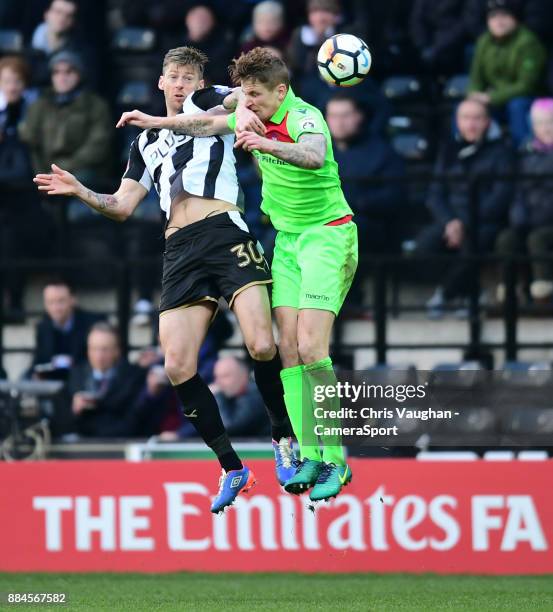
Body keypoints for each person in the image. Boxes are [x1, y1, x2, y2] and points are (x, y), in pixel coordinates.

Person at [34, 46, 296, 514]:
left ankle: (284, 440)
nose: (181, 83)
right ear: (160, 83)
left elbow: (237, 104)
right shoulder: (143, 144)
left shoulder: (211, 100)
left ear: (200, 81)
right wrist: (81, 192)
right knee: (177, 364)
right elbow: (121, 205)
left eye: (189, 76)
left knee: (260, 343)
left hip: (224, 230)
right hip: (179, 250)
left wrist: (233, 105)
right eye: (173, 76)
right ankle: (232, 466)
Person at [119, 48, 359, 501]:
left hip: (328, 235)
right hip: (287, 241)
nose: (246, 103)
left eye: (253, 95)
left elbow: (313, 155)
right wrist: (152, 124)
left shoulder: (304, 115)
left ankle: (337, 460)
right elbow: (203, 124)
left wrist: (265, 142)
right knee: (285, 348)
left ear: (280, 92)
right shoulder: (246, 113)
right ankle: (308, 452)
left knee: (309, 346)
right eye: (243, 95)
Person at [415, 98, 514, 315]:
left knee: (472, 246)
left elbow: (501, 197)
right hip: (450, 220)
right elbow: (435, 194)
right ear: (457, 121)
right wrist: (450, 222)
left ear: (488, 122)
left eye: (477, 118)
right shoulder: (448, 149)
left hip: (485, 222)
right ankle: (471, 293)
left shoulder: (502, 152)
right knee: (423, 247)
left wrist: (465, 224)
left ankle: (446, 294)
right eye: (465, 118)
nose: (471, 124)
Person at [0, 56, 47, 322]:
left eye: (17, 81)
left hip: (24, 191)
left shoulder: (34, 108)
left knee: (12, 242)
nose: (12, 86)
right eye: (7, 81)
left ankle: (15, 301)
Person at [496, 98, 553, 303]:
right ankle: (509, 290)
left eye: (551, 122)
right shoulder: (523, 154)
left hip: (548, 222)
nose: (546, 128)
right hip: (528, 220)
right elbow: (517, 192)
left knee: (537, 239)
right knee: (507, 238)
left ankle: (543, 294)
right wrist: (518, 217)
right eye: (540, 123)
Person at [468, 0, 547, 146]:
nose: (498, 21)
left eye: (504, 16)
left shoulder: (528, 42)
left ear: (515, 19)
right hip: (493, 98)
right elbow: (476, 77)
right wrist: (474, 95)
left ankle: (523, 148)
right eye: (493, 17)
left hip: (525, 97)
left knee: (517, 106)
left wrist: (490, 97)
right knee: (467, 108)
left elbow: (526, 85)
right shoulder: (483, 41)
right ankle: (465, 149)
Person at [67, 323, 145, 438]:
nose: (99, 356)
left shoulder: (133, 377)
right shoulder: (76, 375)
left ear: (117, 351)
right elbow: (64, 423)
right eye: (94, 349)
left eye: (105, 349)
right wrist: (74, 410)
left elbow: (134, 420)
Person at [29, 279, 104, 376]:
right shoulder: (43, 327)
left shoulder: (91, 323)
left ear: (73, 300)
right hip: (52, 381)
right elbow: (39, 361)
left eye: (61, 301)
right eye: (50, 302)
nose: (56, 308)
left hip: (83, 379)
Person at [212, 356, 270, 436]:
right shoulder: (230, 396)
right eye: (217, 377)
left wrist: (216, 396)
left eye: (225, 376)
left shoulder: (255, 396)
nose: (218, 382)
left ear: (243, 375)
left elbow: (228, 428)